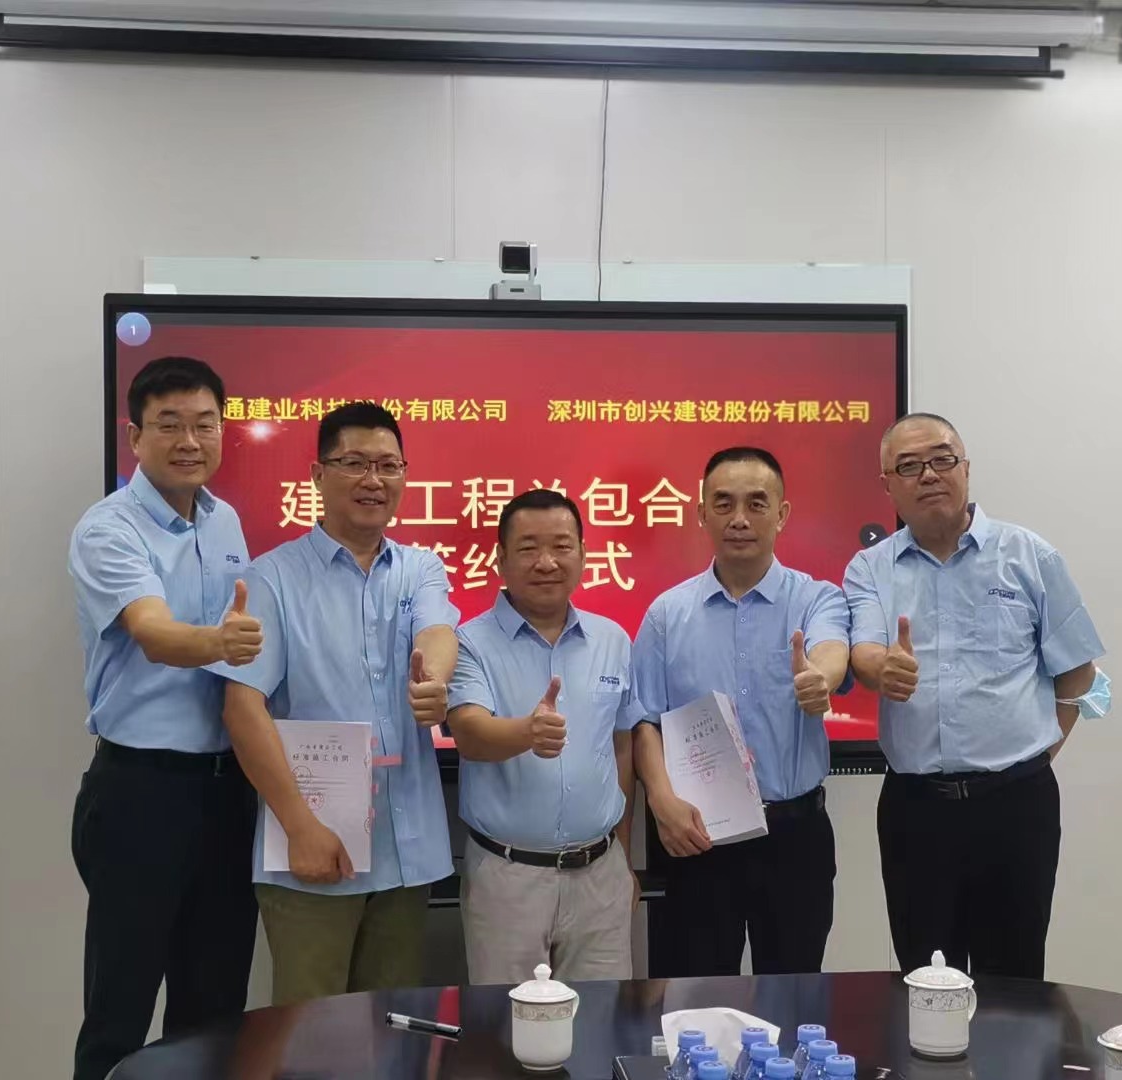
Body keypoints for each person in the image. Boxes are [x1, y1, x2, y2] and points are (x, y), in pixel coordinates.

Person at [843, 412, 1105, 979]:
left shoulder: (1029, 555)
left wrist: (1038, 755)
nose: (928, 474)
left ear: (966, 467)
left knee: (1014, 982)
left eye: (942, 459)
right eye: (908, 466)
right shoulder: (870, 568)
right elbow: (862, 650)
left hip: (1017, 806)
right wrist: (881, 668)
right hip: (916, 809)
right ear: (887, 485)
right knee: (924, 982)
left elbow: (1078, 672)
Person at [214, 401, 458, 1005]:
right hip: (313, 846)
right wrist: (300, 828)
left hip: (406, 848)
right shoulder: (271, 578)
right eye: (354, 463)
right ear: (318, 475)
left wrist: (434, 682)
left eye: (388, 465)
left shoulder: (421, 568)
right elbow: (242, 708)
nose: (373, 480)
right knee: (312, 1033)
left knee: (394, 1027)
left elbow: (437, 632)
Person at [67, 356, 263, 1080]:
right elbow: (153, 633)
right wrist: (220, 644)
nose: (190, 441)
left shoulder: (225, 519)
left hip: (227, 790)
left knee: (213, 1010)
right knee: (119, 1009)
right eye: (170, 425)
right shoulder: (108, 528)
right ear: (135, 436)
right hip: (141, 793)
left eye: (205, 424)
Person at [631, 446, 851, 977]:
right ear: (701, 513)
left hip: (794, 836)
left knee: (793, 996)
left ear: (782, 513)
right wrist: (660, 801)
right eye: (724, 503)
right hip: (698, 837)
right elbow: (644, 720)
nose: (739, 519)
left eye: (756, 503)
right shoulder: (666, 614)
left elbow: (831, 651)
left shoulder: (816, 599)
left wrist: (820, 679)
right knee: (694, 999)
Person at [447, 489, 641, 984]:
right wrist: (526, 733)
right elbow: (469, 733)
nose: (547, 562)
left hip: (601, 874)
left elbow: (621, 748)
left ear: (584, 554)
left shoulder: (613, 640)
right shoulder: (468, 642)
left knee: (601, 1019)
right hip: (508, 877)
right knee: (506, 1022)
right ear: (500, 560)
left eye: (561, 546)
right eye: (529, 548)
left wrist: (622, 854)